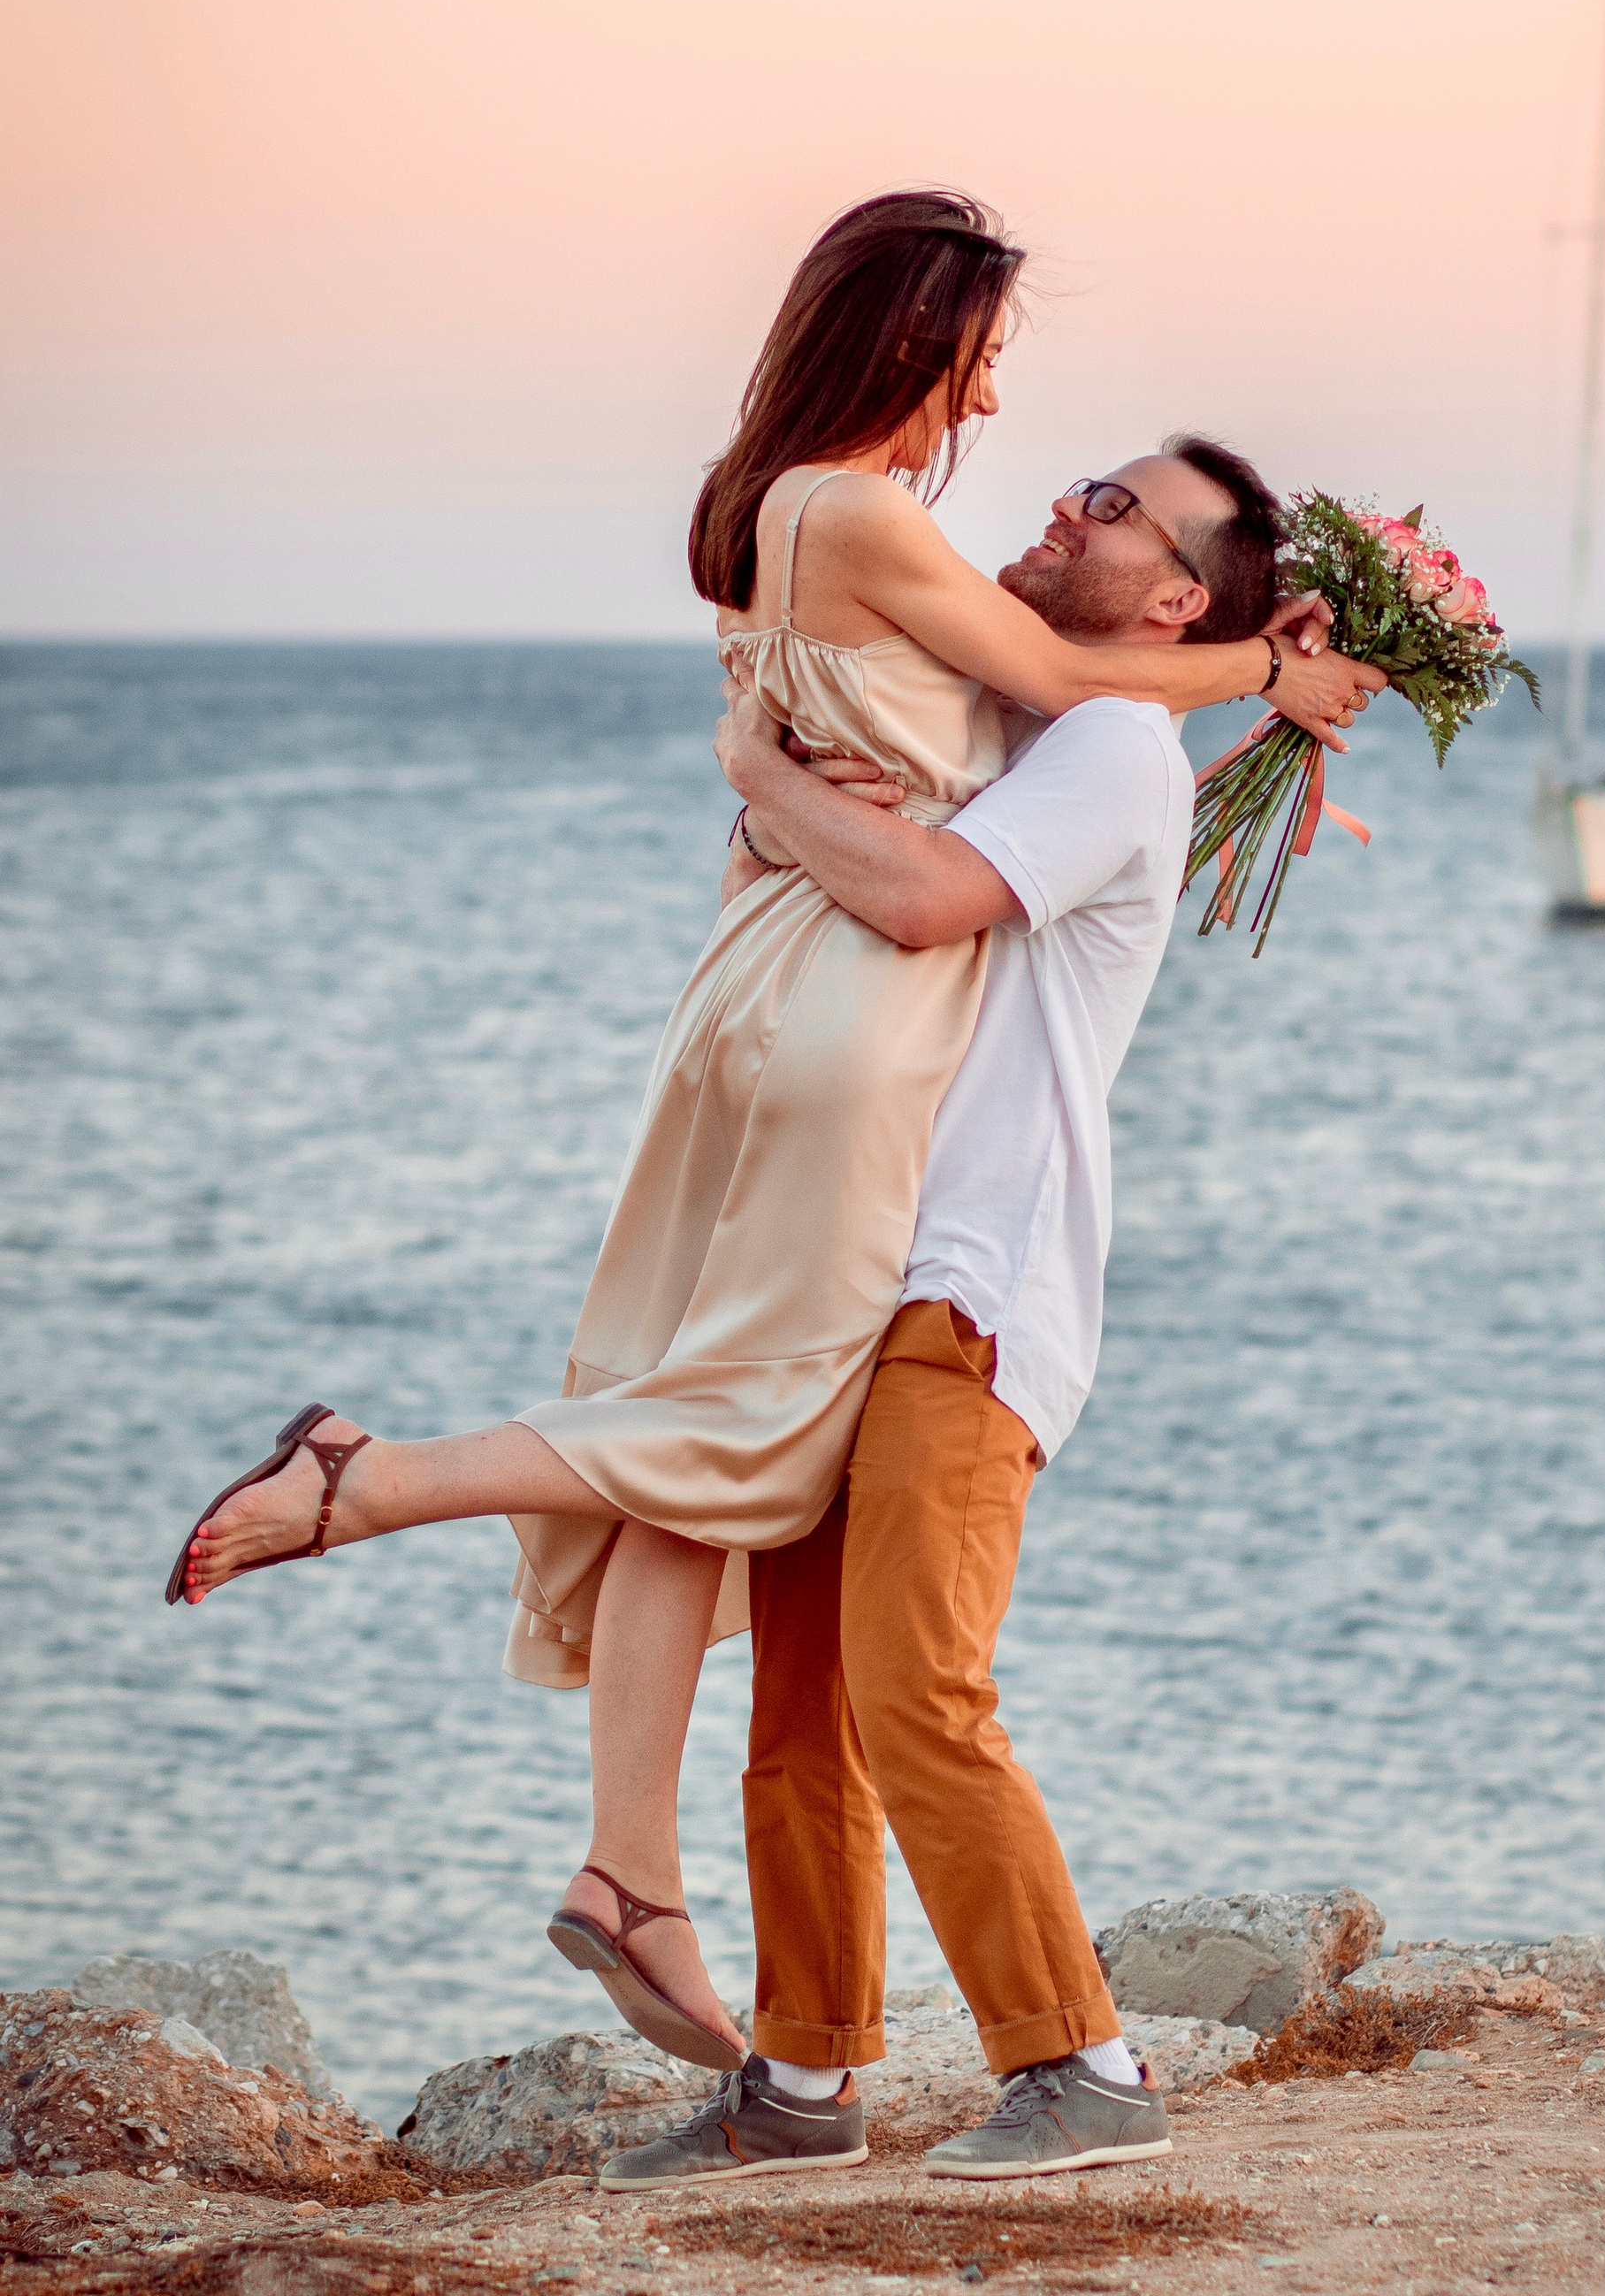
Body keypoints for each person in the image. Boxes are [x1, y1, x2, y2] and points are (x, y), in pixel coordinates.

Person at [165, 193, 1376, 2085]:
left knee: (736, 1481)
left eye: (1111, 503)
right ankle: (383, 1498)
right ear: (912, 342)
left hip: (853, 1114)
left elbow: (1027, 783)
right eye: (988, 363)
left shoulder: (845, 556)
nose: (1026, 448)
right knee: (727, 1456)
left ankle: (736, 1943)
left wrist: (756, 772)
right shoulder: (906, 555)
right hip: (848, 1074)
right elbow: (1027, 742)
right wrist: (1263, 678)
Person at [598, 434, 1335, 2192]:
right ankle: (799, 2082)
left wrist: (755, 775)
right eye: (1087, 476)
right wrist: (774, 762)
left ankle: (1081, 2061)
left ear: (1166, 595)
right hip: (841, 1264)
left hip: (972, 1280)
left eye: (1110, 507)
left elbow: (922, 898)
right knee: (796, 1700)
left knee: (914, 1683)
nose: (1064, 500)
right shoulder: (1025, 710)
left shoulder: (1105, 749)